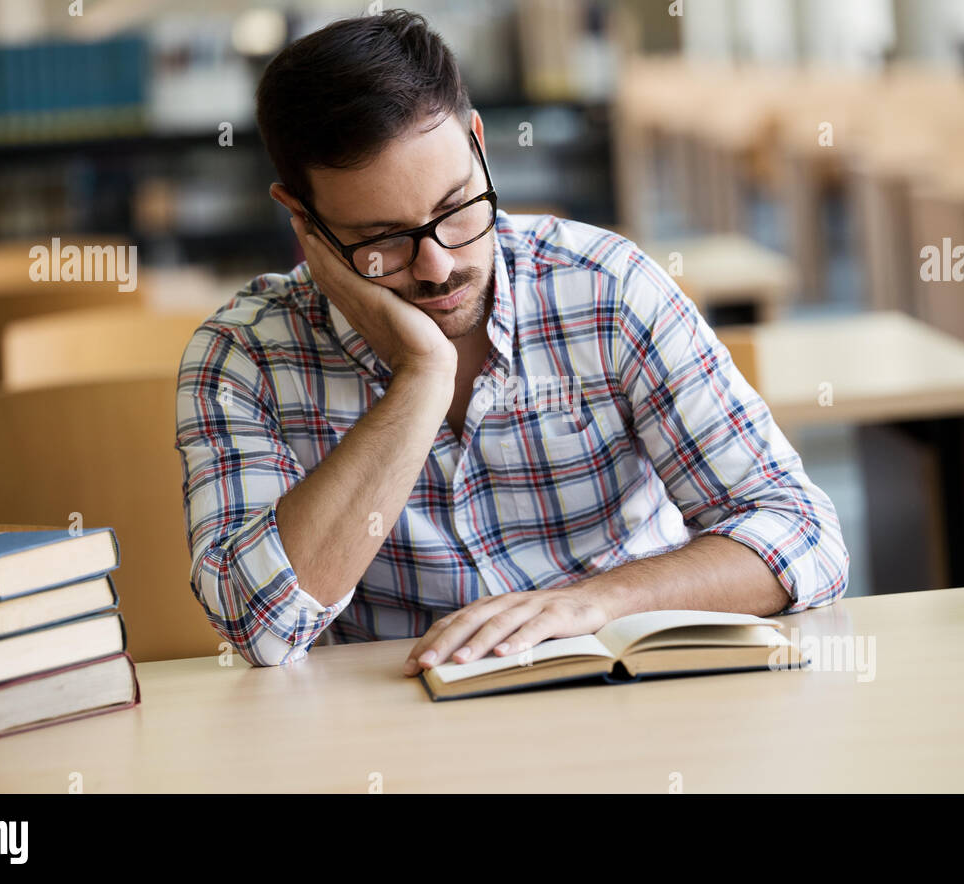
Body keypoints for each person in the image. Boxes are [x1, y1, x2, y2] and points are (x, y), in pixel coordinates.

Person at [175, 9, 849, 677]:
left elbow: (804, 534)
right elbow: (257, 626)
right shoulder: (245, 358)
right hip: (402, 750)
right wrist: (421, 378)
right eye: (382, 237)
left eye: (456, 207)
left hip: (635, 709)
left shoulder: (605, 289)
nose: (438, 266)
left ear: (479, 142)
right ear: (304, 221)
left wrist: (594, 604)